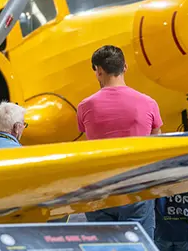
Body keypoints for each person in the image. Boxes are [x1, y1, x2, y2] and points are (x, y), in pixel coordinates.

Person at [77, 45, 163, 238]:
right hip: (137, 187)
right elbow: (158, 144)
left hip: (99, 188)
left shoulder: (85, 106)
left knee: (102, 244)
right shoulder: (149, 103)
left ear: (98, 71)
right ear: (125, 67)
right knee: (139, 243)